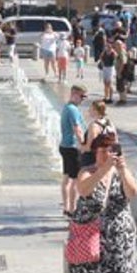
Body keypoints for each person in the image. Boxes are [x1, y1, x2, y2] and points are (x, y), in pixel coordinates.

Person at [66, 132, 137, 273]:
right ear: (96, 152)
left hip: (119, 237)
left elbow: (133, 192)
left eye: (111, 150)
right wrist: (104, 169)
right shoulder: (86, 172)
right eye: (103, 150)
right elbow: (84, 189)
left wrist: (122, 169)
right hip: (89, 235)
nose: (107, 154)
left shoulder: (123, 172)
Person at [58, 85, 87, 215]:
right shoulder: (73, 110)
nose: (83, 100)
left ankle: (66, 207)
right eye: (82, 96)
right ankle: (72, 209)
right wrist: (84, 144)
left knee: (66, 178)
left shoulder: (66, 107)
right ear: (74, 94)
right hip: (72, 147)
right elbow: (77, 129)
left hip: (64, 146)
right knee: (75, 179)